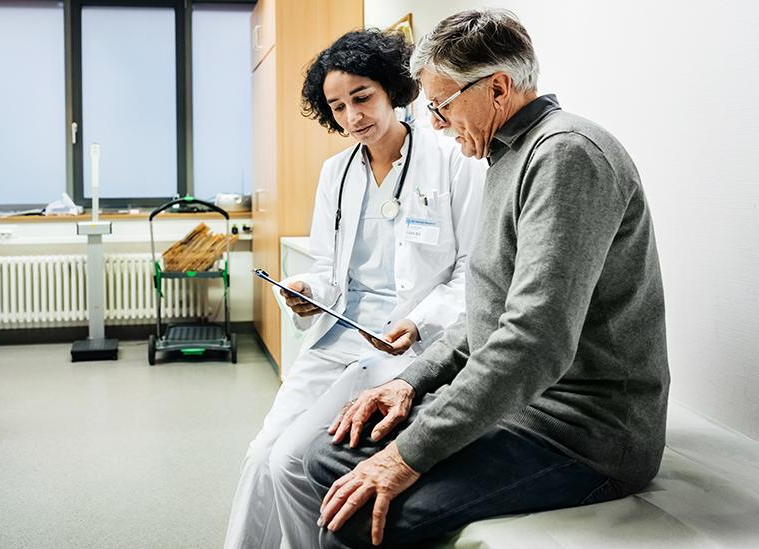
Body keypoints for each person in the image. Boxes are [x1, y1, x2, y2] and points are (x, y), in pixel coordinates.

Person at [297, 9, 670, 548]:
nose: (434, 124)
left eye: (442, 105)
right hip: (524, 406)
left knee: (353, 518)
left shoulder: (566, 157)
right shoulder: (507, 158)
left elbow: (533, 342)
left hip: (580, 433)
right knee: (326, 456)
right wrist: (411, 381)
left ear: (497, 88)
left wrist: (405, 456)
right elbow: (488, 310)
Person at [224, 29, 484, 549]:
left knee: (290, 461)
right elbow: (327, 267)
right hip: (340, 333)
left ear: (392, 89)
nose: (351, 117)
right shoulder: (336, 173)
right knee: (261, 455)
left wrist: (417, 322)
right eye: (337, 107)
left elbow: (471, 272)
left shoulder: (451, 159)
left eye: (361, 98)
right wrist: (302, 289)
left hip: (405, 347)